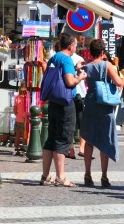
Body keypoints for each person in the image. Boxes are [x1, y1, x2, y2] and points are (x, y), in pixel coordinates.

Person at [39, 34, 87, 187]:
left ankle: (46, 175)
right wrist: (80, 77)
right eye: (75, 45)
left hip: (53, 101)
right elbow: (69, 81)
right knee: (63, 138)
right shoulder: (66, 59)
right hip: (66, 102)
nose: (75, 48)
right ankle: (61, 177)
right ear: (71, 46)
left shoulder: (54, 58)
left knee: (51, 139)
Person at [81, 39, 124, 187]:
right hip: (105, 104)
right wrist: (122, 78)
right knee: (105, 138)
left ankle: (87, 174)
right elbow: (119, 82)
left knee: (89, 139)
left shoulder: (87, 67)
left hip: (91, 102)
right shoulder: (107, 65)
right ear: (102, 52)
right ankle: (104, 176)